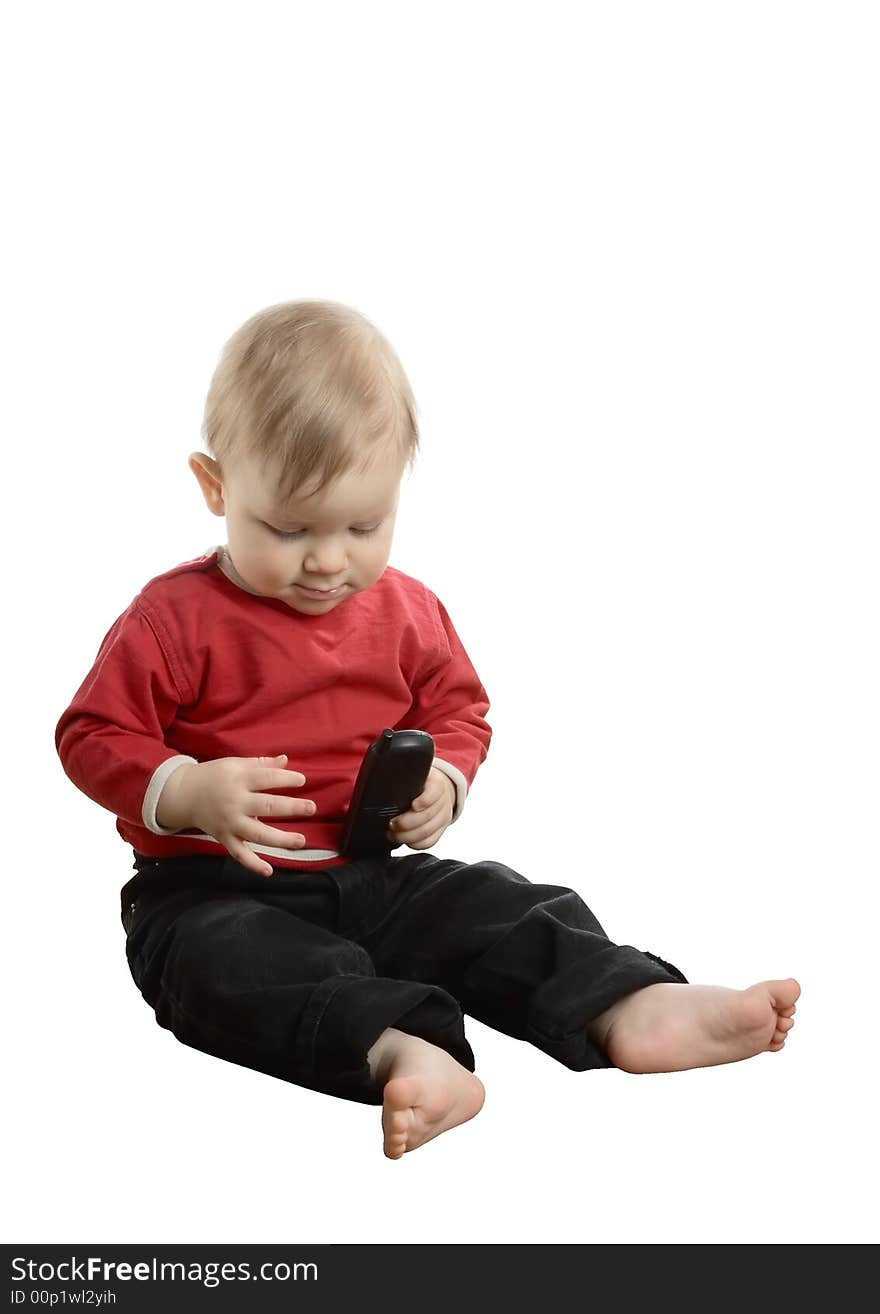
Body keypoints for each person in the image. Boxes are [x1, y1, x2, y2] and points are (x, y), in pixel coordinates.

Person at [55, 299, 800, 1160]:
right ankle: (403, 1047)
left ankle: (627, 1003)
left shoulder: (406, 612)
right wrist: (183, 789)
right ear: (217, 486)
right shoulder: (172, 621)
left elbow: (457, 710)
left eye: (363, 526)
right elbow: (91, 733)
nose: (329, 560)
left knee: (500, 902)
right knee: (225, 966)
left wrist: (445, 778)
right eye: (289, 529)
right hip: (211, 893)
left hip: (374, 876)